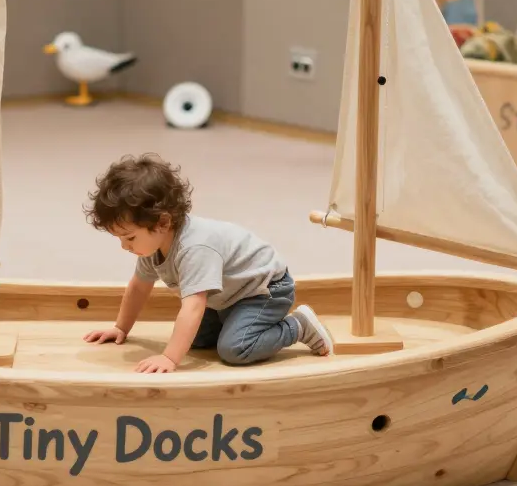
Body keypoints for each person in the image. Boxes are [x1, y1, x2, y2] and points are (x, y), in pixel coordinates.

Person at [81, 153, 331, 373]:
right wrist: (121, 327)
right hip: (228, 295)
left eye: (130, 237)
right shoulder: (153, 247)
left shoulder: (195, 248)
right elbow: (139, 287)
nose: (124, 246)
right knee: (196, 341)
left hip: (265, 290)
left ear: (163, 223)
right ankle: (233, 319)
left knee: (235, 349)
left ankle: (298, 326)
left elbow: (194, 306)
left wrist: (169, 357)